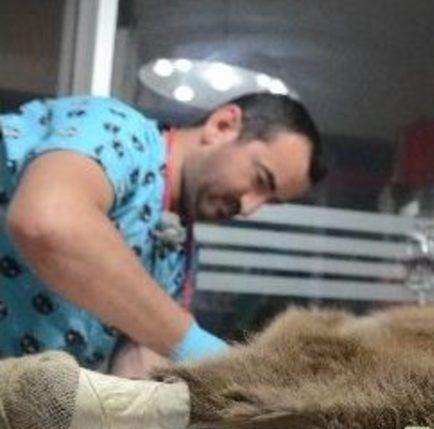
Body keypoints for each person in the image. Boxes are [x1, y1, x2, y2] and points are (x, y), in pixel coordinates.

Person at [0, 92, 324, 375]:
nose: (249, 208)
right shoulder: (116, 129)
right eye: (260, 180)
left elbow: (143, 355)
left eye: (270, 201)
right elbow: (48, 221)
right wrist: (193, 343)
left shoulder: (177, 250)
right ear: (222, 126)